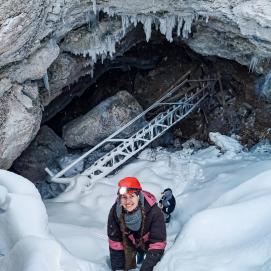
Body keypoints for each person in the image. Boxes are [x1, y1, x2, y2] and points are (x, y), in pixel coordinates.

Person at [107, 177, 166, 271]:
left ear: (138, 196)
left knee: (150, 261)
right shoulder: (115, 212)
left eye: (132, 196)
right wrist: (118, 269)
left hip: (148, 241)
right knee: (127, 265)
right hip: (128, 241)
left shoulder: (154, 212)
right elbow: (115, 243)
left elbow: (157, 244)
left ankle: (141, 253)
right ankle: (136, 256)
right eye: (124, 197)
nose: (128, 201)